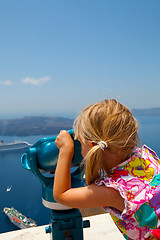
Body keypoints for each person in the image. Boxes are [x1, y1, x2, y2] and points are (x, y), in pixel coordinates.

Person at [53, 99, 160, 240]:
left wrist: (65, 150)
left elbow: (61, 195)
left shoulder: (114, 190)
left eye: (80, 141)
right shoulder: (145, 157)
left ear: (91, 146)